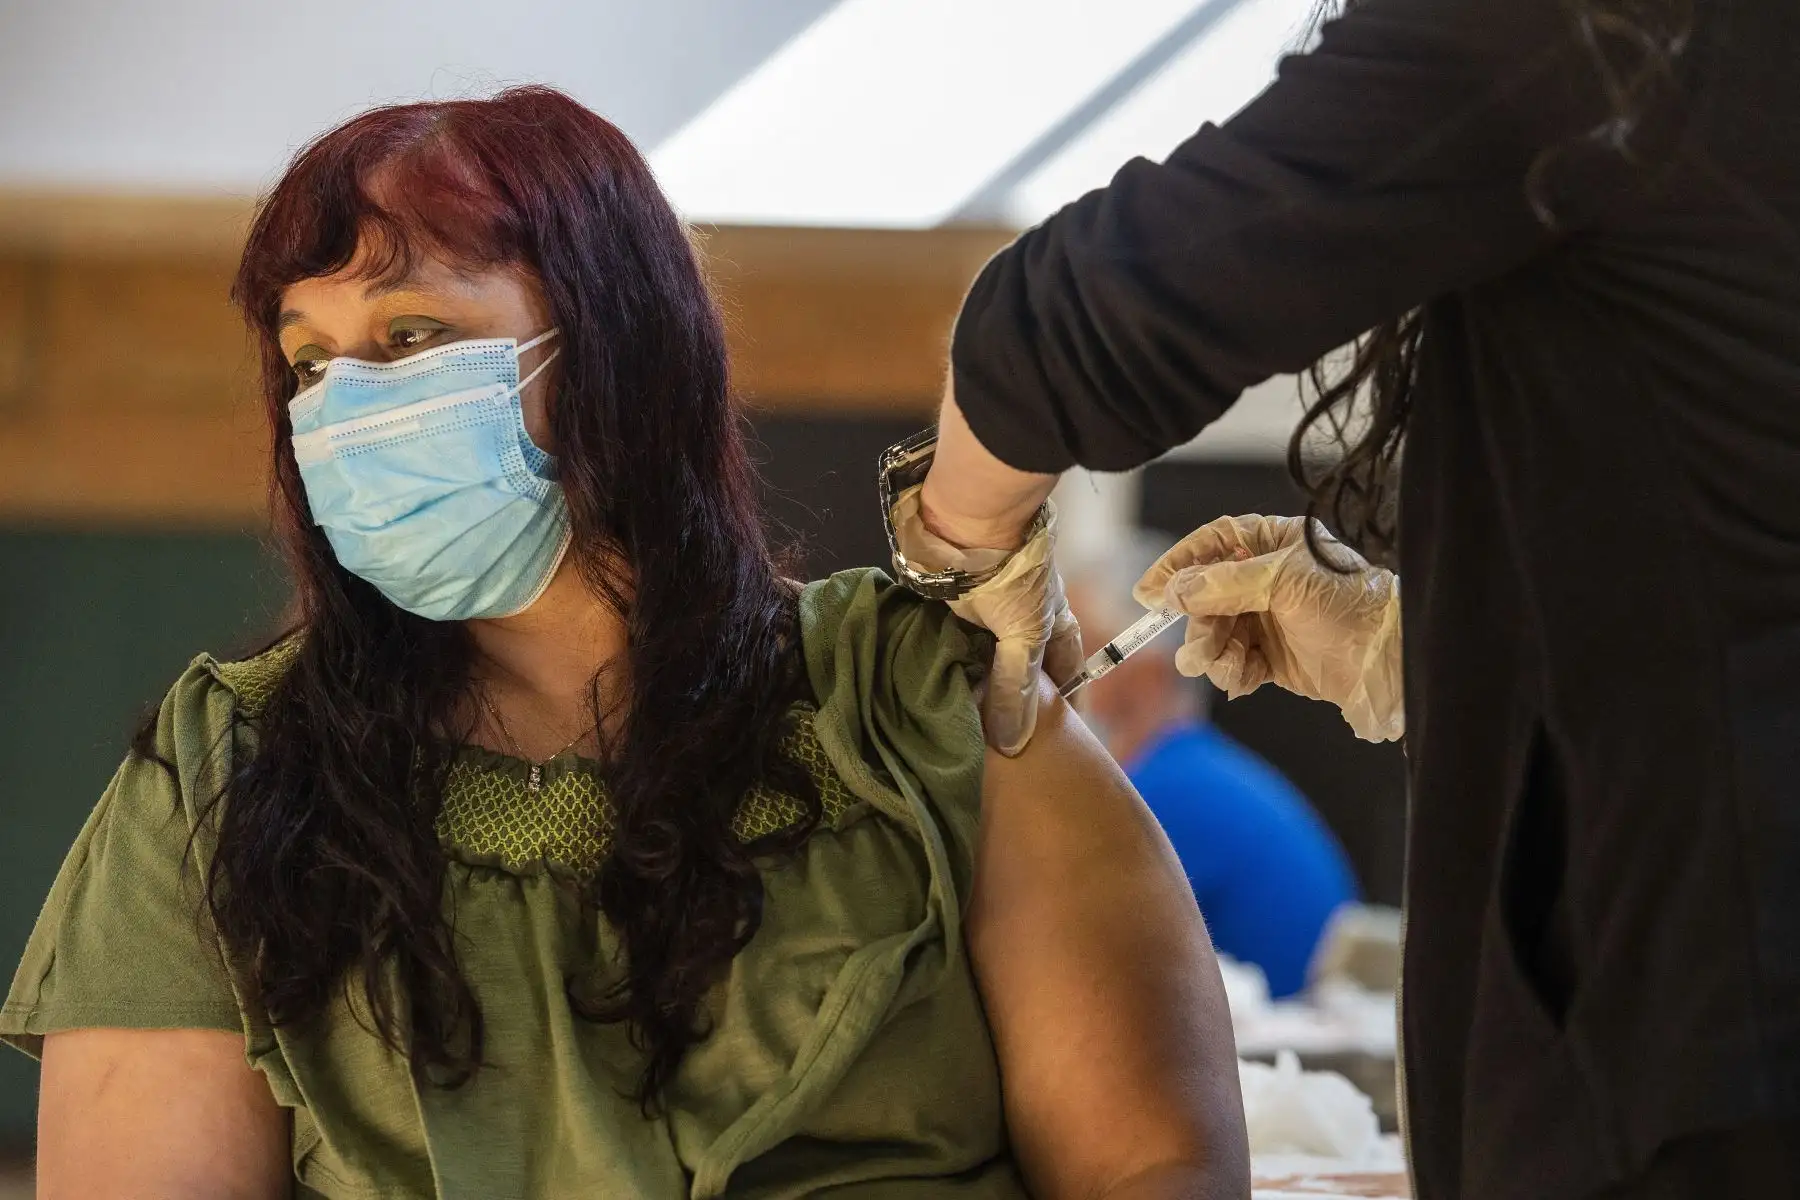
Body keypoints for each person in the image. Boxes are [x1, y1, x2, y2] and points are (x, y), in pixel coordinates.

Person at [0, 88, 1250, 1200]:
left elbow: (1156, 1166)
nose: (347, 407)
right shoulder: (226, 776)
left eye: (412, 334)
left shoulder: (915, 702)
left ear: (615, 345)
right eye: (309, 362)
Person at [885, 0, 1800, 1195]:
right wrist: (1418, 650)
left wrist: (957, 540)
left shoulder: (1596, 33)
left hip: (1712, 1039)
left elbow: (1089, 316)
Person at [1064, 538, 1357, 998]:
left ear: (1146, 677)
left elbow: (1069, 949)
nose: (1051, 677)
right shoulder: (1205, 773)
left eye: (1074, 651)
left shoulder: (1161, 796)